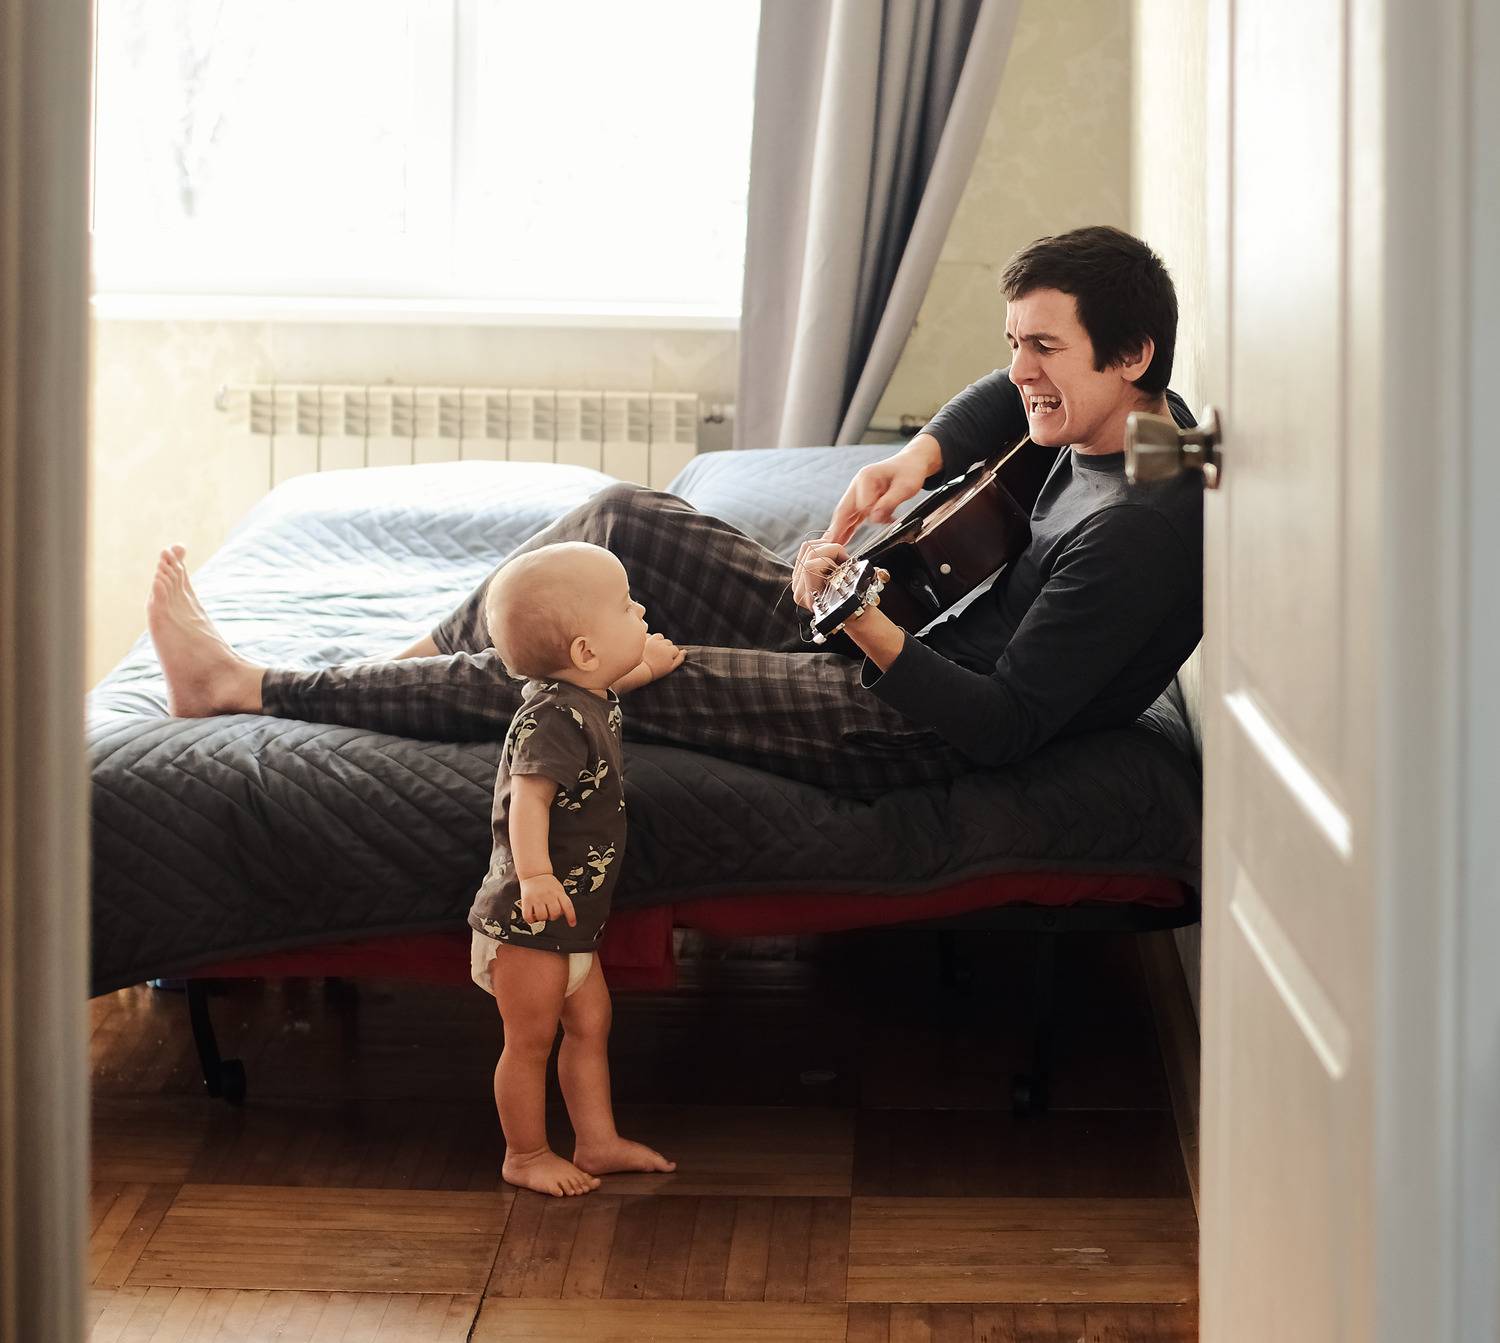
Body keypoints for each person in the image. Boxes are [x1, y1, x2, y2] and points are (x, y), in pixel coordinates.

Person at [145, 225, 1201, 798]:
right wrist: (912, 460)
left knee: (584, 663)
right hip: (897, 626)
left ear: (1131, 352)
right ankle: (409, 661)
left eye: (1042, 348)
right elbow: (999, 400)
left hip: (902, 717)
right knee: (623, 516)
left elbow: (1003, 726)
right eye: (1014, 342)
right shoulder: (1148, 422)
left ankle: (248, 686)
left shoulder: (1135, 534)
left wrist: (856, 617)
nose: (1018, 372)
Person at [467, 540, 676, 1197]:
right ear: (585, 651)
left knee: (589, 1026)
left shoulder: (582, 695)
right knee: (529, 1042)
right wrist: (534, 877)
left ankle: (597, 1141)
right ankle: (525, 1153)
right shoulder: (551, 722)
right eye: (627, 605)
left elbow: (608, 692)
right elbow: (527, 802)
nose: (641, 611)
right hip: (529, 920)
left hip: (572, 917)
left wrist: (647, 664)